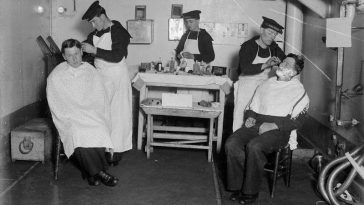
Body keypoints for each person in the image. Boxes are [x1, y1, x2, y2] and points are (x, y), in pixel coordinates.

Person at [225, 53, 309, 204]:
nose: (282, 65)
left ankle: (250, 192)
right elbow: (253, 106)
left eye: (287, 64)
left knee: (255, 146)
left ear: (295, 72)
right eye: (283, 62)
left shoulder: (298, 90)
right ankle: (237, 186)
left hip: (279, 130)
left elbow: (300, 120)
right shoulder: (266, 83)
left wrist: (274, 125)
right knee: (232, 143)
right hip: (257, 124)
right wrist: (250, 116)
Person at [47, 39, 118, 186]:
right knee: (79, 132)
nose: (74, 58)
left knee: (98, 127)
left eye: (77, 54)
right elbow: (56, 102)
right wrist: (71, 113)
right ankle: (100, 173)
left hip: (90, 112)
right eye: (69, 55)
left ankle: (92, 174)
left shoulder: (90, 70)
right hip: (69, 116)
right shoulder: (57, 75)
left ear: (81, 52)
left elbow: (100, 96)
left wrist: (93, 111)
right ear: (64, 56)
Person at [81, 1, 133, 166]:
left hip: (116, 76)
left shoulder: (119, 31)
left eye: (95, 21)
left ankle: (115, 151)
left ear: (102, 16)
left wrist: (94, 50)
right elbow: (86, 49)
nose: (94, 25)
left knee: (117, 115)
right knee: (103, 114)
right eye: (92, 23)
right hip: (101, 76)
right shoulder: (96, 33)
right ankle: (103, 148)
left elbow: (118, 55)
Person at [232, 16, 286, 132]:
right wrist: (266, 64)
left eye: (275, 34)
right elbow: (245, 68)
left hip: (264, 87)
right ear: (261, 30)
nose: (272, 37)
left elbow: (285, 60)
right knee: (241, 117)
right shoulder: (248, 46)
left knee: (261, 117)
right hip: (246, 87)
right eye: (270, 32)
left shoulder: (273, 47)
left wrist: (289, 61)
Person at [175, 10, 215, 102]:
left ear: (198, 21)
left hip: (198, 73)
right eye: (186, 22)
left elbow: (211, 56)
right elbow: (178, 51)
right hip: (183, 72)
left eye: (191, 21)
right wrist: (180, 56)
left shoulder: (204, 36)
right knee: (182, 100)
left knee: (196, 100)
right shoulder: (185, 35)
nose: (188, 24)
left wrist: (194, 56)